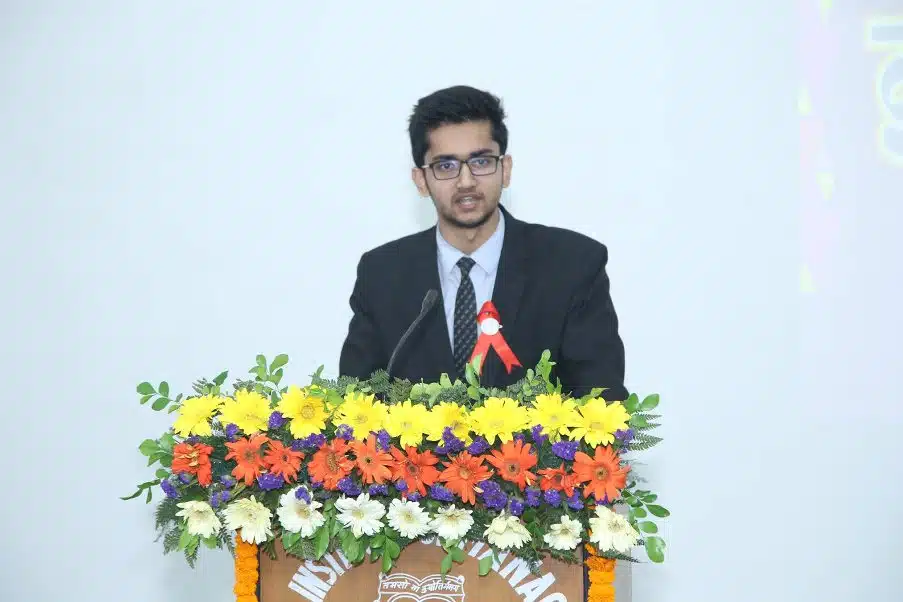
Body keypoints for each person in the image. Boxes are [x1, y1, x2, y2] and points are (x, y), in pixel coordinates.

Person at [339, 85, 627, 400]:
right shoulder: (381, 275)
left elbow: (601, 401)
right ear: (421, 181)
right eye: (446, 166)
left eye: (481, 162)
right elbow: (355, 403)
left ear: (506, 169)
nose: (466, 181)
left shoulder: (572, 266)